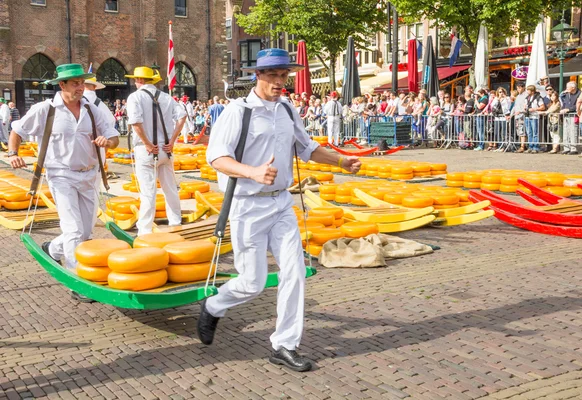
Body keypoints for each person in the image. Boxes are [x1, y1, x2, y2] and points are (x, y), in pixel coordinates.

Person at [201, 48, 361, 372]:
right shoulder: (238, 111)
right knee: (253, 282)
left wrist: (342, 160)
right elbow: (216, 157)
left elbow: (307, 147)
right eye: (272, 76)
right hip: (247, 206)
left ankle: (284, 345)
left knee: (295, 272)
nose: (279, 82)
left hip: (282, 203)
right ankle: (214, 304)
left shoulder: (287, 109)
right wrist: (253, 171)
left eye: (283, 76)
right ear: (257, 76)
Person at [8, 63, 119, 301]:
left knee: (87, 230)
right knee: (74, 229)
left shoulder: (92, 109)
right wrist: (13, 153)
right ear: (62, 85)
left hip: (90, 174)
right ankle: (77, 282)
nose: (81, 88)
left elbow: (114, 136)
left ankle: (53, 248)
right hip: (60, 175)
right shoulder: (45, 110)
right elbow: (17, 130)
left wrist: (108, 142)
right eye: (76, 83)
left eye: (82, 83)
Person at [125, 66, 187, 235]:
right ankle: (175, 223)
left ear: (140, 80)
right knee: (170, 188)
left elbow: (136, 123)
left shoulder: (135, 97)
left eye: (136, 79)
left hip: (146, 150)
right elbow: (182, 117)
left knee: (148, 191)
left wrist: (146, 143)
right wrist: (172, 140)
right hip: (165, 149)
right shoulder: (167, 97)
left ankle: (144, 230)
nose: (135, 82)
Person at [559, 81, 581, 155]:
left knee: (573, 131)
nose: (567, 89)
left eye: (568, 87)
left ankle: (573, 148)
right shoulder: (567, 94)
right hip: (566, 115)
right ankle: (566, 147)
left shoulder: (579, 93)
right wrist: (563, 93)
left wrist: (569, 109)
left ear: (573, 87)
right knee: (566, 131)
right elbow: (561, 99)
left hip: (573, 114)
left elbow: (579, 105)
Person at [523, 84, 545, 153]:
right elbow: (525, 105)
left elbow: (543, 107)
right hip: (527, 116)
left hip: (534, 116)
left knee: (535, 132)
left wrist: (534, 109)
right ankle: (530, 146)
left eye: (528, 90)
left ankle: (535, 147)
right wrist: (525, 108)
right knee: (529, 132)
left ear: (532, 91)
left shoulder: (538, 97)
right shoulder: (527, 98)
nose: (527, 91)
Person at [511, 82, 528, 153]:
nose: (518, 89)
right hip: (517, 116)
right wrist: (511, 114)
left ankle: (522, 146)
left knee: (522, 131)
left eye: (520, 88)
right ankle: (523, 145)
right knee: (519, 131)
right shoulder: (518, 96)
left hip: (522, 115)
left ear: (523, 87)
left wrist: (520, 111)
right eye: (517, 88)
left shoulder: (526, 95)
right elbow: (515, 107)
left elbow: (526, 106)